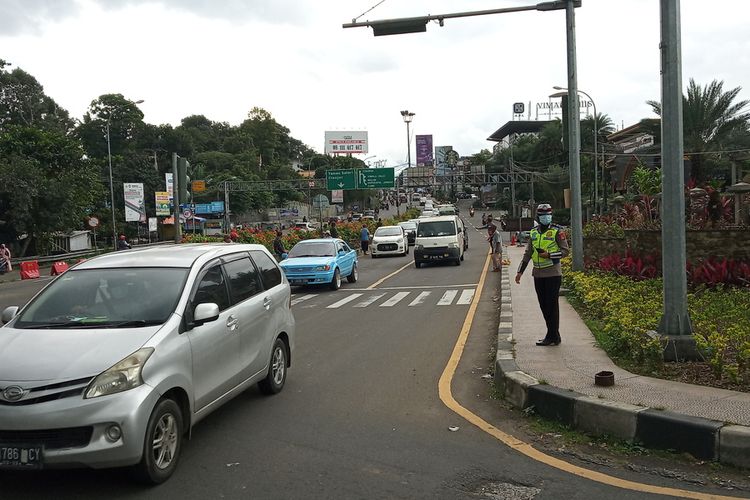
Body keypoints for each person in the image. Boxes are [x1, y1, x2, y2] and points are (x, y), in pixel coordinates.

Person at [515, 204, 570, 347]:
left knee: (552, 305)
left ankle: (552, 335)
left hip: (553, 273)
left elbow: (565, 251)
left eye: (548, 214)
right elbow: (528, 253)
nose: (546, 217)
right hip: (538, 274)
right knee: (543, 305)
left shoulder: (557, 231)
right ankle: (553, 335)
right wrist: (520, 271)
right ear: (538, 217)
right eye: (543, 214)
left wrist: (549, 255)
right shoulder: (533, 232)